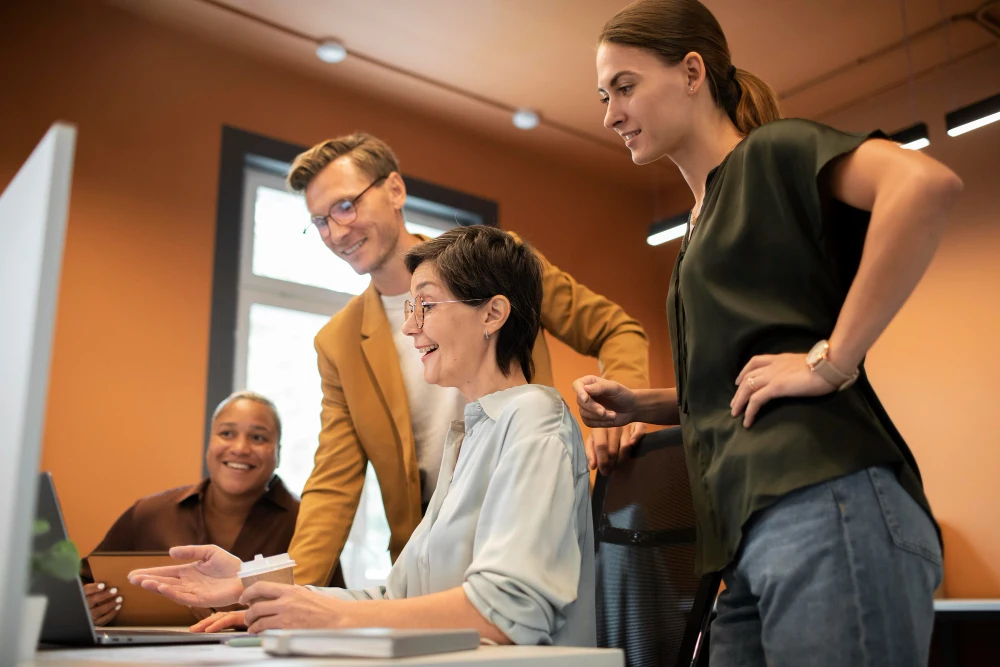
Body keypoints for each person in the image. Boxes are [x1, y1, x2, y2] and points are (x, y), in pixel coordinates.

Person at [575, 1, 962, 665]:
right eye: (604, 96)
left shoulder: (769, 154)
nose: (610, 114)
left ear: (692, 72)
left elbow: (925, 184)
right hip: (749, 541)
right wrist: (648, 404)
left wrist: (830, 361)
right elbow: (742, 379)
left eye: (626, 87)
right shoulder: (697, 230)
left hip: (826, 504)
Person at [129, 226, 596, 646]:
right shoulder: (468, 438)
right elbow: (395, 596)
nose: (410, 326)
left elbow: (508, 611)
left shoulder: (535, 416)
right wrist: (251, 581)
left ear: (492, 313)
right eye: (409, 308)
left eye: (425, 306)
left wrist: (327, 616)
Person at [284, 132, 649, 588]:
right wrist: (283, 601)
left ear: (395, 189)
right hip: (431, 560)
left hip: (529, 522)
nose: (336, 233)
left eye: (345, 206)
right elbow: (333, 485)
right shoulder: (337, 342)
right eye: (319, 221)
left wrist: (621, 412)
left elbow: (615, 329)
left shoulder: (491, 265)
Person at [81, 391, 301, 627]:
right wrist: (87, 609)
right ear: (210, 442)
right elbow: (77, 587)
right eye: (227, 433)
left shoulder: (304, 521)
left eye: (258, 438)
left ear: (278, 451)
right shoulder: (149, 513)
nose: (240, 448)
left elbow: (325, 604)